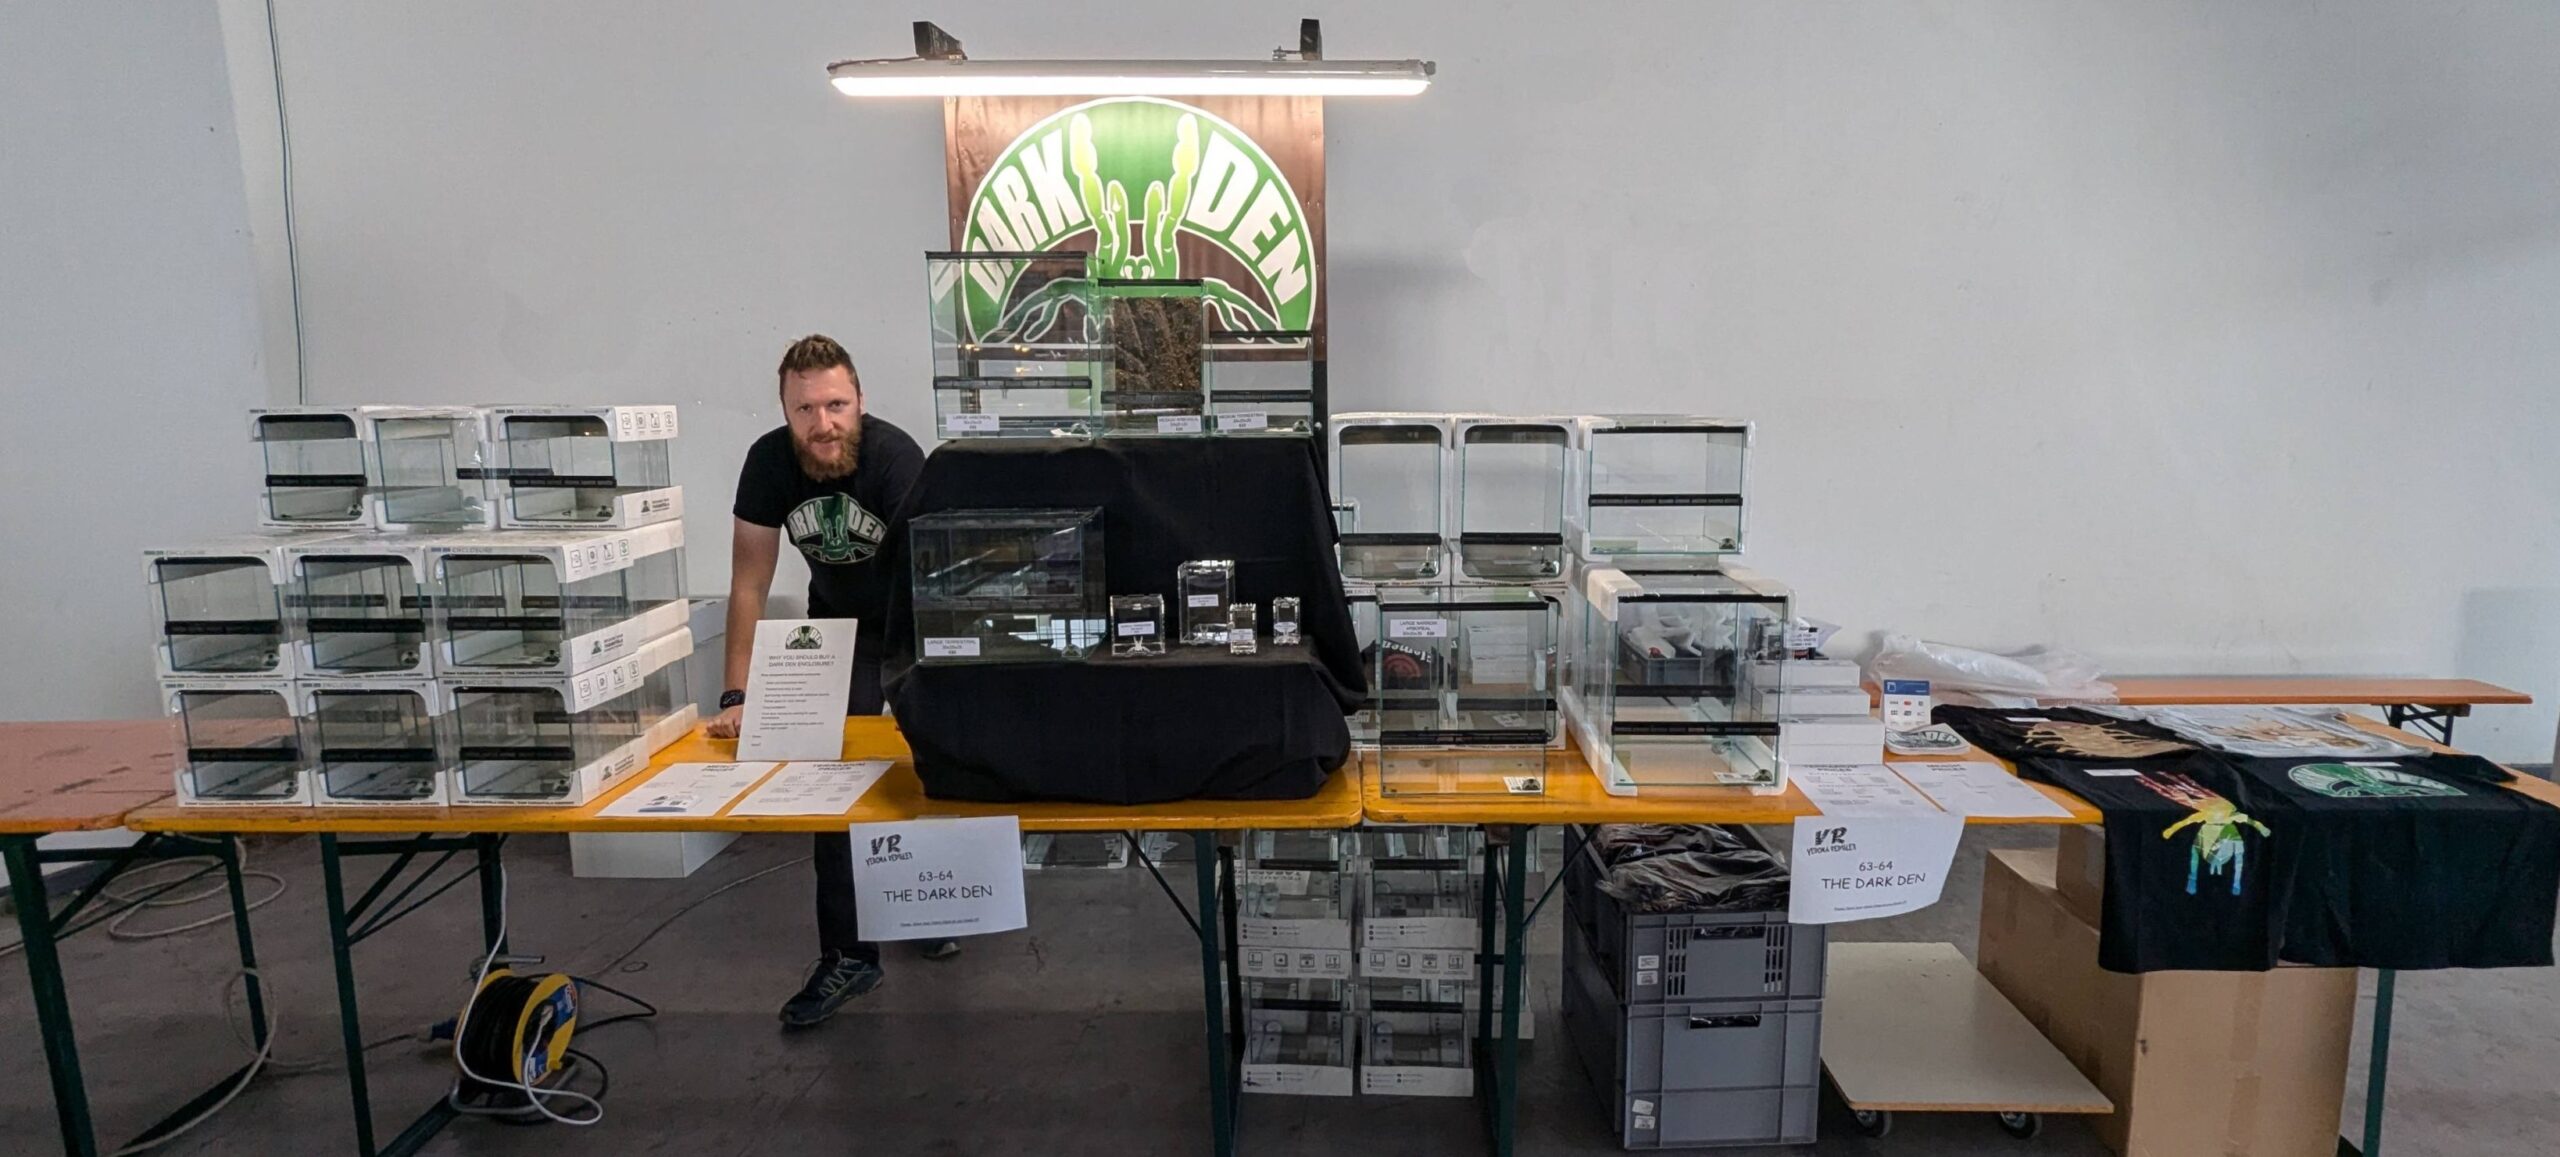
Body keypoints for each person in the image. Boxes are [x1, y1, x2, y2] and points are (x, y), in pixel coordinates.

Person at [712, 334, 953, 1028]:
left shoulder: (895, 459)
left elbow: (931, 578)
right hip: (837, 628)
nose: (824, 423)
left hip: (909, 626)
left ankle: (923, 907)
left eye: (837, 405)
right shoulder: (768, 462)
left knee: (927, 768)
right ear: (786, 412)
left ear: (860, 401)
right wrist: (737, 695)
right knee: (830, 782)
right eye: (806, 409)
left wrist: (927, 679)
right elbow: (749, 582)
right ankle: (849, 955)